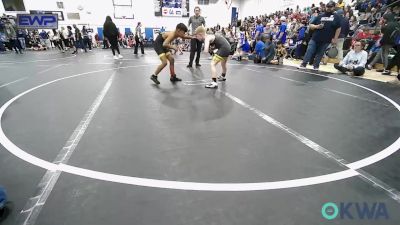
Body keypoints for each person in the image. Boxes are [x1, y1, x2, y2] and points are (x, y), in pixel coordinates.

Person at [298, 1, 341, 71]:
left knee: (320, 53)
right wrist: (317, 26)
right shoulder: (320, 15)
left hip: (326, 40)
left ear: (334, 7)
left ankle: (316, 66)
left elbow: (338, 28)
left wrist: (335, 39)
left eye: (330, 7)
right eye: (327, 6)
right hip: (315, 38)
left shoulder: (336, 17)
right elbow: (311, 25)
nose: (329, 8)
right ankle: (303, 64)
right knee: (309, 51)